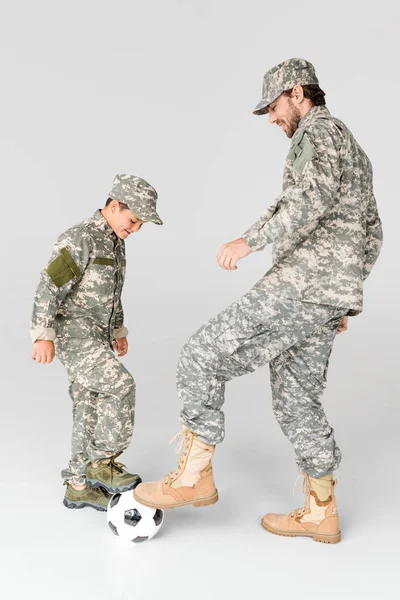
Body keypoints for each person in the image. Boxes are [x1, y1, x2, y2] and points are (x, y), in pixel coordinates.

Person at [133, 58, 383, 544]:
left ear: (297, 92)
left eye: (273, 106)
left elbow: (306, 202)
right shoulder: (350, 145)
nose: (272, 118)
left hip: (299, 286)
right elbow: (371, 230)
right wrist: (342, 297)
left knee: (201, 355)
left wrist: (248, 242)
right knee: (297, 400)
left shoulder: (319, 132)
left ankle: (194, 478)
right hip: (323, 295)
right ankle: (321, 512)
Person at [31, 174, 163, 511]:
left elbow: (112, 293)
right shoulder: (80, 238)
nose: (136, 229)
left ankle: (78, 485)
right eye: (133, 220)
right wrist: (43, 335)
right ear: (115, 206)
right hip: (75, 336)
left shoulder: (115, 242)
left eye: (141, 224)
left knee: (87, 406)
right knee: (121, 385)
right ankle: (101, 462)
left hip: (97, 336)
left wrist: (118, 331)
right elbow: (49, 286)